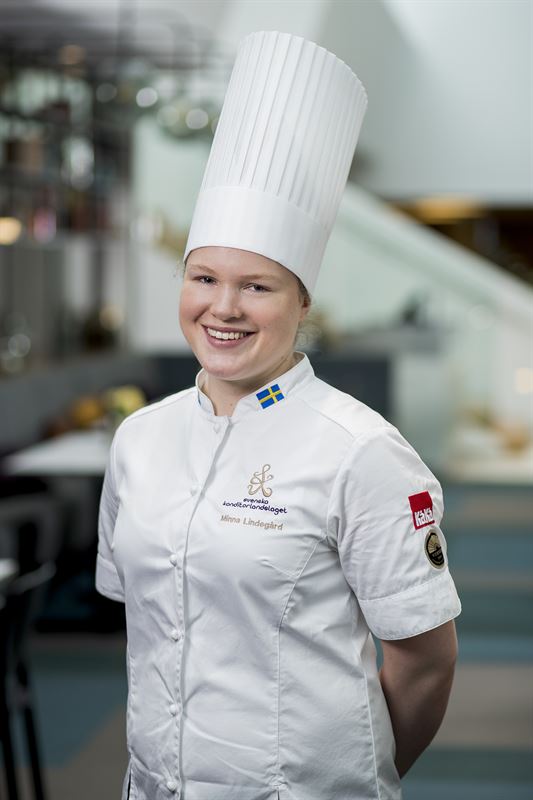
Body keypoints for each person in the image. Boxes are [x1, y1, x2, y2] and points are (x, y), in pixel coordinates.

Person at [96, 31, 461, 800]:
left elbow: (425, 662)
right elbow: (151, 628)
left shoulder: (360, 452)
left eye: (257, 287)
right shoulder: (138, 439)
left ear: (303, 302)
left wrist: (352, 778)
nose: (223, 308)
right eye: (203, 278)